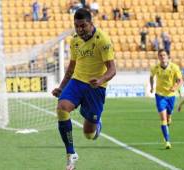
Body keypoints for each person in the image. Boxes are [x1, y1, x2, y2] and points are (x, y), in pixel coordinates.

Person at [51, 8, 116, 170]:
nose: (79, 29)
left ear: (91, 23)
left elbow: (112, 69)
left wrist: (100, 80)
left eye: (83, 26)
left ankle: (96, 124)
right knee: (61, 108)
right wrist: (61, 87)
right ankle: (71, 153)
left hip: (96, 87)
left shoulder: (103, 40)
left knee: (89, 134)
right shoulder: (74, 40)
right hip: (77, 82)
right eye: (77, 26)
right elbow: (71, 67)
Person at [150, 49, 183, 149]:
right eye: (160, 55)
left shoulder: (174, 67)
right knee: (163, 118)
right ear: (158, 57)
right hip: (160, 95)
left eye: (164, 55)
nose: (162, 57)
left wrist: (175, 87)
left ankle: (167, 125)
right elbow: (151, 77)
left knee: (168, 118)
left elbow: (180, 80)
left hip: (171, 96)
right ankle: (167, 141)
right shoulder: (155, 68)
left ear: (168, 57)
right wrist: (152, 87)